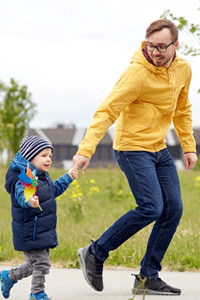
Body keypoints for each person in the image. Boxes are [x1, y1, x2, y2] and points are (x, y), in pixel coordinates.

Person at [73, 19, 198, 296]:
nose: (155, 52)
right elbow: (107, 110)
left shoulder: (183, 69)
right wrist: (86, 149)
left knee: (173, 208)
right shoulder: (136, 74)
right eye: (150, 46)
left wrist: (188, 145)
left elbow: (183, 108)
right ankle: (95, 252)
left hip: (158, 148)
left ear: (175, 45)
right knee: (151, 207)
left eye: (162, 47)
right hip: (131, 147)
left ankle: (147, 276)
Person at [0, 135, 78, 300]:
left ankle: (9, 276)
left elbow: (52, 190)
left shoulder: (41, 175)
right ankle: (37, 294)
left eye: (50, 156)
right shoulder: (24, 176)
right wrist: (30, 201)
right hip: (30, 230)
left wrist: (68, 177)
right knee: (41, 264)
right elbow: (22, 195)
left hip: (40, 229)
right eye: (43, 155)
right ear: (30, 157)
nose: (48, 159)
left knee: (33, 265)